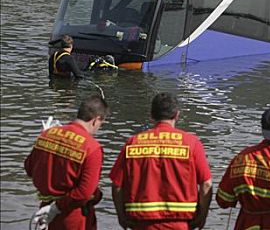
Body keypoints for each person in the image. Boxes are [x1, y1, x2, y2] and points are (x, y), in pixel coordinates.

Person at [110, 93, 213, 230]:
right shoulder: (192, 144)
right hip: (180, 224)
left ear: (151, 115)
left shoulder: (133, 143)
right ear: (177, 115)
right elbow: (206, 185)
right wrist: (202, 216)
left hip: (141, 224)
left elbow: (117, 185)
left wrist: (121, 217)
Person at [25, 95, 109, 229]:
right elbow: (84, 192)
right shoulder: (92, 148)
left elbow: (29, 168)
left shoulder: (47, 134)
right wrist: (57, 208)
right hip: (73, 216)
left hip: (44, 212)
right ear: (96, 120)